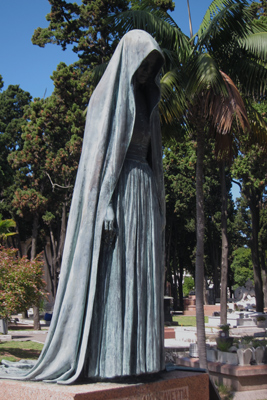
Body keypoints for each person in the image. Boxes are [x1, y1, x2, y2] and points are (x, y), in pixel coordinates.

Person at [0, 29, 165, 384]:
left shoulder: (148, 101)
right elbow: (95, 163)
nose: (149, 70)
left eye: (154, 65)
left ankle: (141, 358)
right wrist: (103, 205)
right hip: (116, 195)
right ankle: (112, 359)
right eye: (145, 62)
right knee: (114, 274)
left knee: (140, 271)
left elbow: (155, 158)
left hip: (143, 193)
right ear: (129, 59)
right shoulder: (105, 99)